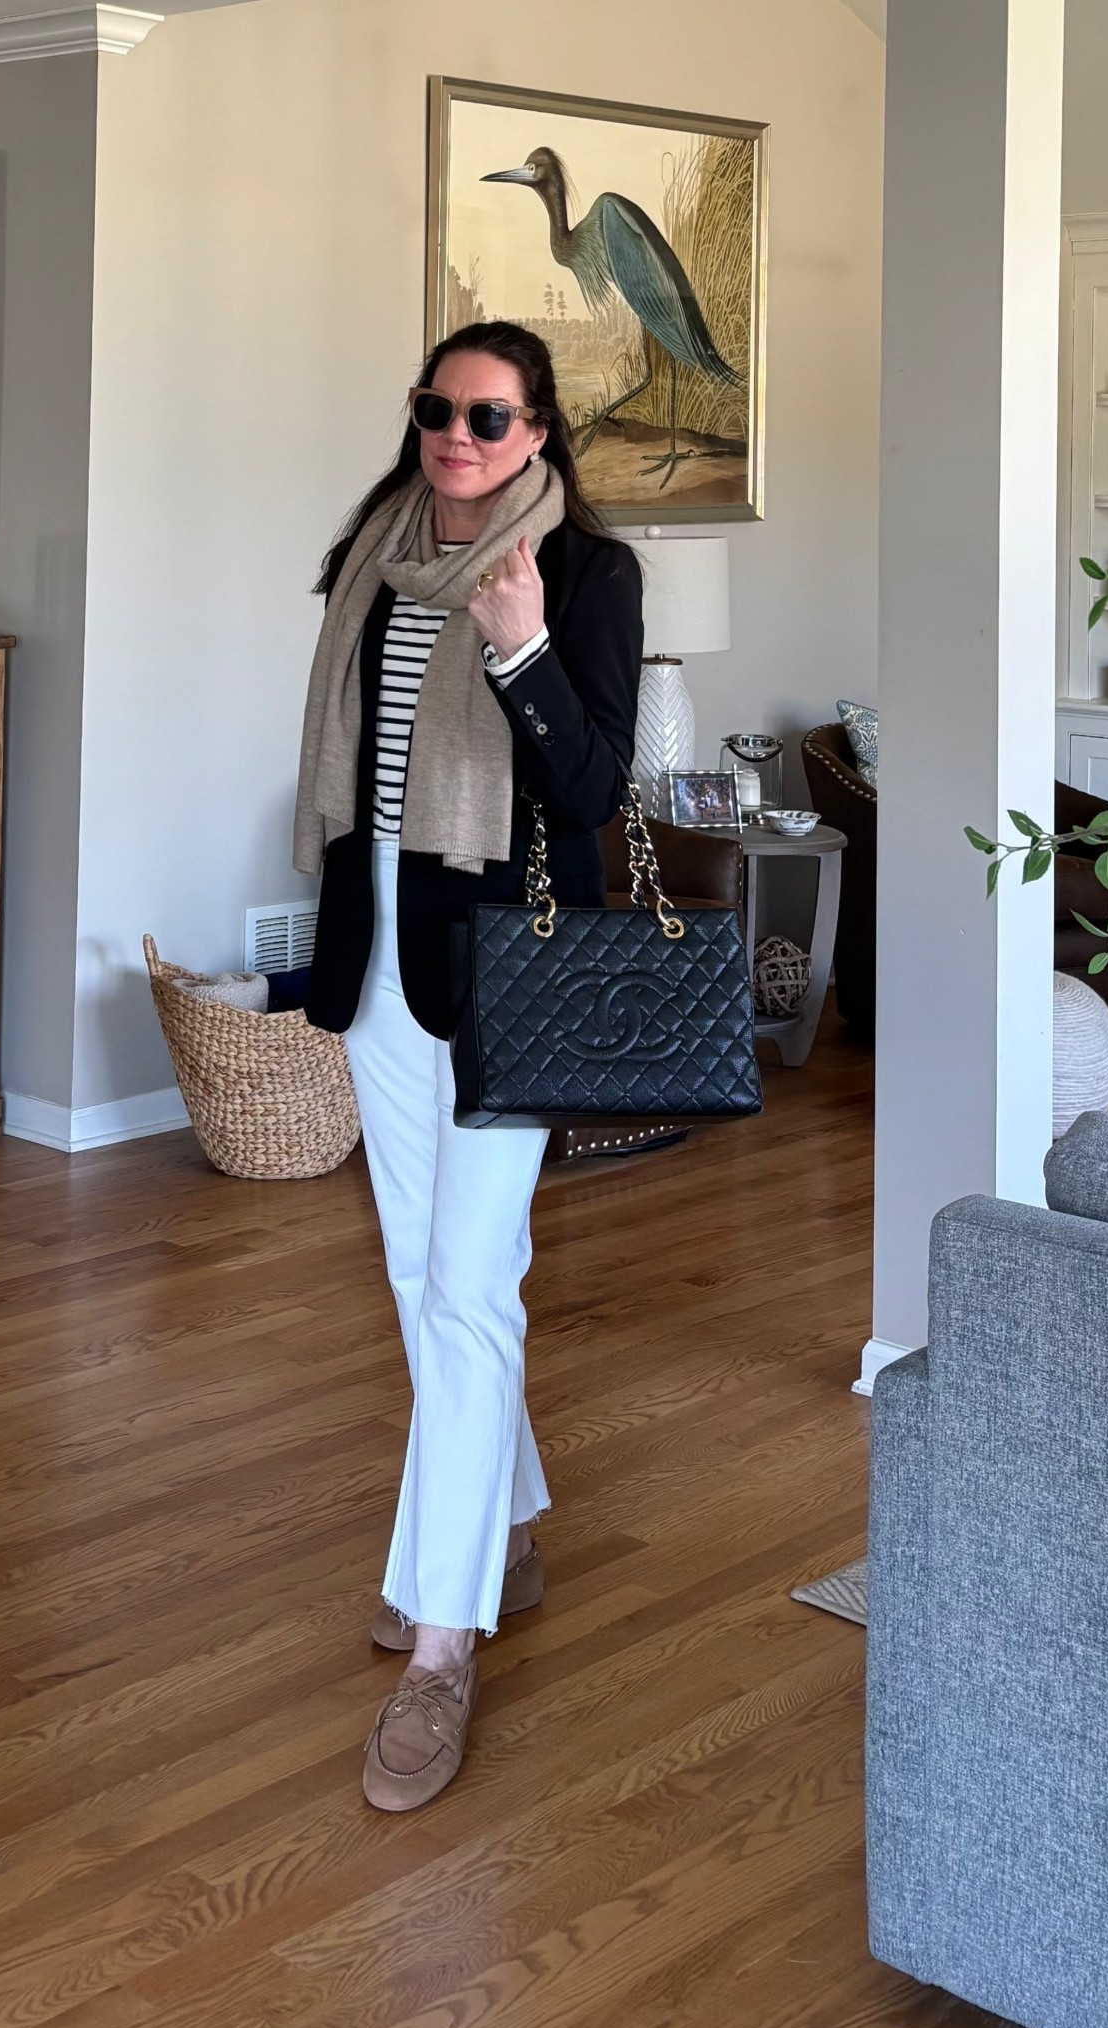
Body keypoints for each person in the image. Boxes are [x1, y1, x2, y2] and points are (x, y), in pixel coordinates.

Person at [293, 320, 643, 1812]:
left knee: (467, 1279)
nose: (457, 435)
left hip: (508, 967)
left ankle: (442, 1644)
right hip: (377, 942)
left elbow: (588, 787)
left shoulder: (582, 574)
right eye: (437, 409)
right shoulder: (376, 545)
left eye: (488, 416)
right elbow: (347, 772)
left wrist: (519, 646)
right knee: (411, 1276)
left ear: (539, 430)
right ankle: (496, 1520)